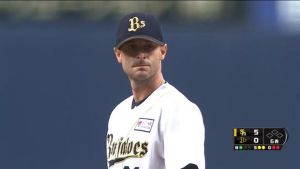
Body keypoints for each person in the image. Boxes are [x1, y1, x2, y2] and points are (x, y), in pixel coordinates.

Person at [106, 12, 205, 169]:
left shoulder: (178, 110)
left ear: (163, 51)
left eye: (148, 46)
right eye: (132, 47)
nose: (141, 55)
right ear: (118, 54)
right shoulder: (117, 115)